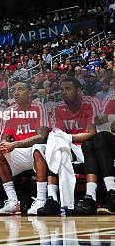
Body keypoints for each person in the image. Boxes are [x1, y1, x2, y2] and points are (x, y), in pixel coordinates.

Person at [34, 78, 101, 215]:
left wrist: (67, 137)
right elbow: (58, 133)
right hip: (67, 147)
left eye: (68, 89)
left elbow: (91, 133)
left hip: (87, 147)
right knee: (55, 145)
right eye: (62, 89)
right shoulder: (59, 107)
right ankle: (52, 198)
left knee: (82, 144)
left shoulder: (90, 103)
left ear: (79, 91)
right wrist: (64, 139)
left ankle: (83, 198)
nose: (64, 92)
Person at [0, 82, 50, 215]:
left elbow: (41, 136)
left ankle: (41, 199)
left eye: (21, 89)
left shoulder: (39, 107)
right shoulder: (10, 111)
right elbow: (5, 136)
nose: (16, 93)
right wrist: (4, 143)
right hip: (20, 151)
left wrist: (14, 145)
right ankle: (13, 201)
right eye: (14, 90)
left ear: (30, 92)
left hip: (39, 152)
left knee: (37, 148)